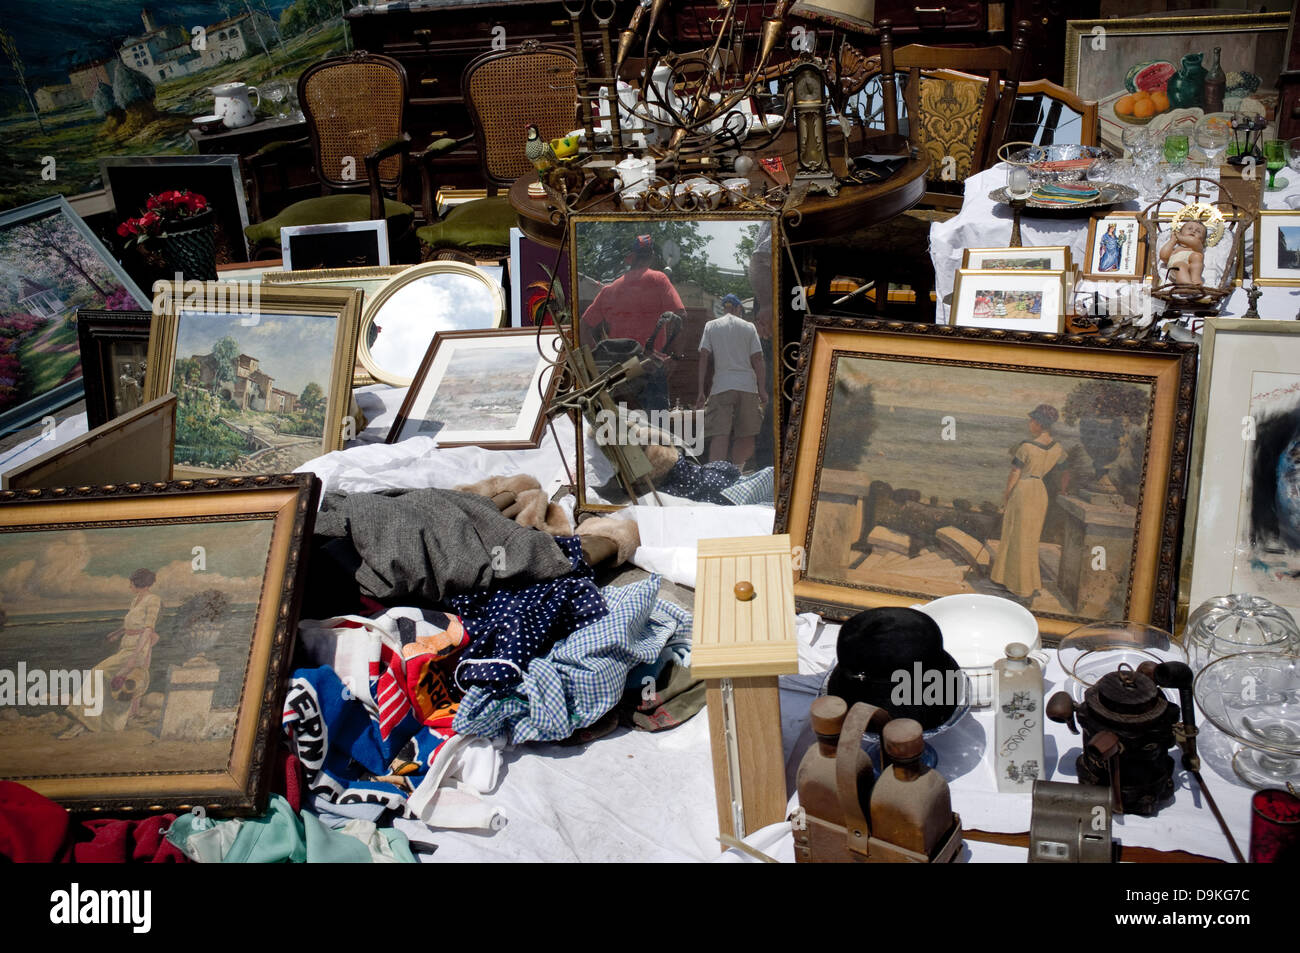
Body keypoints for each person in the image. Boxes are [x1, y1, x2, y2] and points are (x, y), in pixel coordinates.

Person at [580, 234, 685, 410]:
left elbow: (584, 328)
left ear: (631, 258)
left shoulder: (609, 290)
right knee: (657, 432)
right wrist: (675, 357)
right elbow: (681, 316)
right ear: (651, 256)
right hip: (650, 365)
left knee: (620, 430)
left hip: (619, 372)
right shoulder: (659, 280)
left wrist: (599, 362)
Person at [59, 568, 162, 737]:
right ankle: (106, 724)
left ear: (141, 584)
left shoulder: (153, 600)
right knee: (111, 682)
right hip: (125, 645)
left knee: (97, 673)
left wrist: (134, 658)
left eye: (132, 583)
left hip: (137, 649)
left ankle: (82, 722)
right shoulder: (136, 599)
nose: (129, 585)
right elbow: (132, 623)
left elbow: (147, 629)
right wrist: (118, 632)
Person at [990, 405, 1065, 600]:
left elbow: (1015, 473)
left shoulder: (1027, 446)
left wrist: (1006, 496)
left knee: (1016, 536)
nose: (1029, 424)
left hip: (1023, 490)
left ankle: (1017, 585)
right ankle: (1029, 582)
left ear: (1039, 423)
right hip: (1040, 492)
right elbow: (1065, 470)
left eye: (1032, 420)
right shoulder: (1058, 448)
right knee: (1030, 539)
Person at [696, 293, 766, 468]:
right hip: (747, 386)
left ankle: (716, 476)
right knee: (746, 434)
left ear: (724, 307)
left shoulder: (711, 326)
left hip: (722, 386)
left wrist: (700, 392)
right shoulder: (749, 327)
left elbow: (703, 357)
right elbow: (758, 360)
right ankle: (736, 471)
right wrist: (762, 389)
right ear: (738, 308)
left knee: (720, 434)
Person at [1159, 219, 1207, 287]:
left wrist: (1179, 237)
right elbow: (1163, 256)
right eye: (1190, 228)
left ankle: (1196, 280)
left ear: (1203, 241)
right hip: (1176, 269)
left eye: (1198, 231)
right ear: (1180, 232)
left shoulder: (1197, 247)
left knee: (1197, 256)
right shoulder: (1175, 249)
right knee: (1180, 265)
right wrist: (1172, 241)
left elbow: (1194, 241)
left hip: (1192, 269)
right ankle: (1186, 283)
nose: (1193, 231)